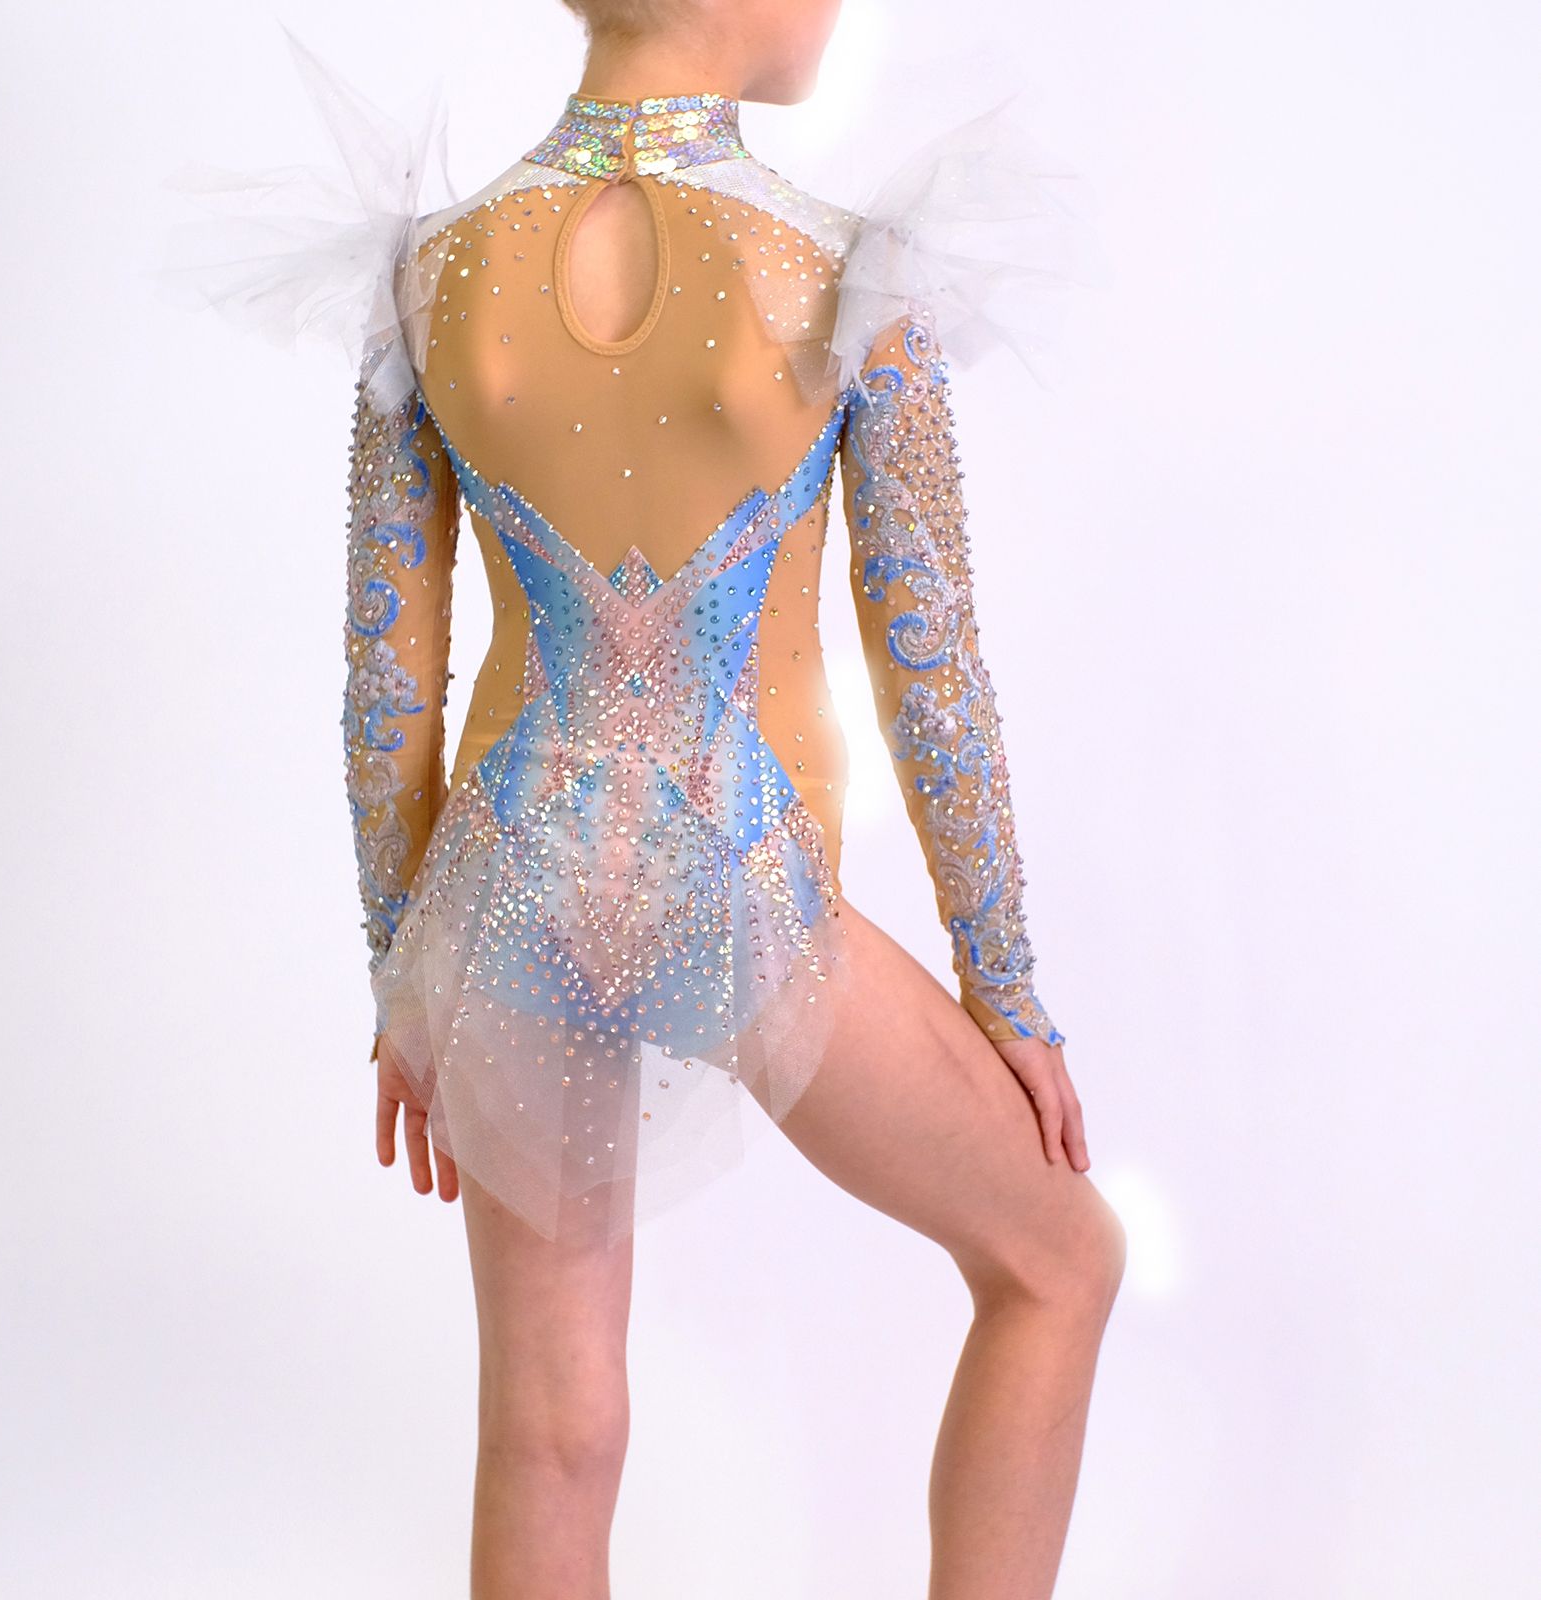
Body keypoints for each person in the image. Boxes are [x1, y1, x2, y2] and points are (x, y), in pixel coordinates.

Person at [174, 2, 1125, 1594]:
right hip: (737, 883)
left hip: (505, 896)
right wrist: (1005, 988)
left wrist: (406, 973)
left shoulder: (428, 277)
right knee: (1061, 1261)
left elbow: (386, 683)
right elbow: (933, 674)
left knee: (553, 1431)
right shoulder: (848, 273)